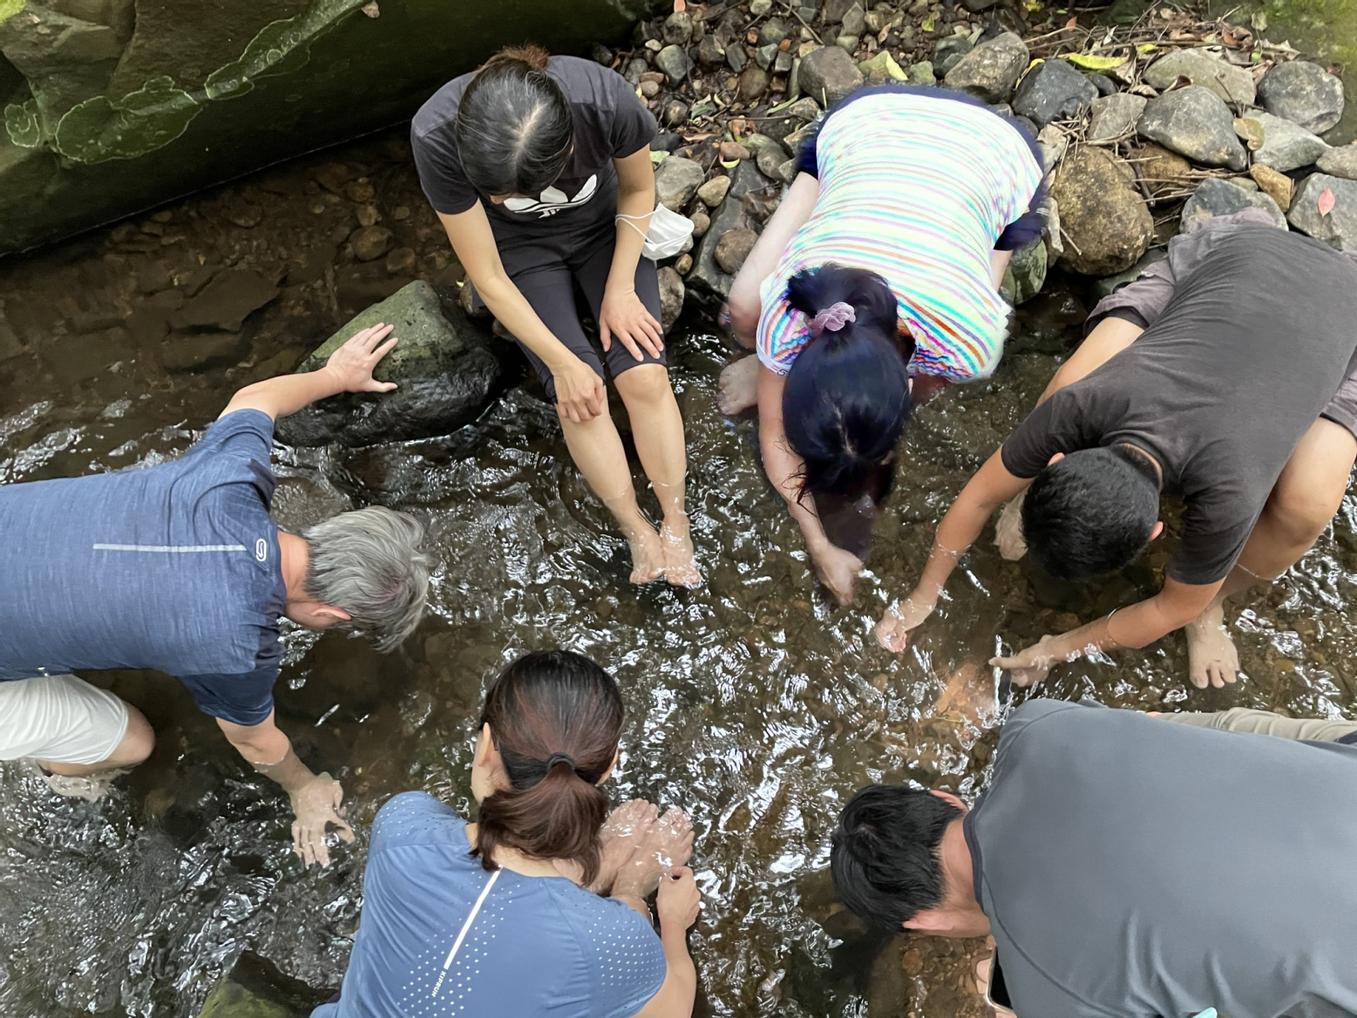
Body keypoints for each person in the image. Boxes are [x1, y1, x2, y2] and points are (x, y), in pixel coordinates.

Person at [0, 324, 431, 866]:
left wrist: (333, 376)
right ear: (329, 613)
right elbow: (255, 743)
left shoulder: (229, 478)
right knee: (133, 744)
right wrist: (302, 787)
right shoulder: (236, 646)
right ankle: (54, 770)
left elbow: (255, 399)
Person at [876, 211, 1357, 691]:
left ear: (1155, 533)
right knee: (1066, 380)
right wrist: (924, 594)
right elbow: (977, 497)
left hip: (1344, 314)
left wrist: (1056, 648)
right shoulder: (1084, 402)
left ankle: (1214, 603)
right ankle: (1029, 495)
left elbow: (1171, 607)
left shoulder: (1231, 492)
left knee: (1305, 507)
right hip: (1234, 263)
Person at [716, 84, 1044, 604]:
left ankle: (772, 367)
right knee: (744, 310)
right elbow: (776, 436)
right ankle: (765, 365)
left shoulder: (967, 341)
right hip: (867, 132)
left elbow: (922, 378)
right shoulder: (793, 303)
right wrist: (819, 543)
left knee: (980, 253)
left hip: (996, 153)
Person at [830, 699, 1357, 1017]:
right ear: (948, 799)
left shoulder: (1051, 994)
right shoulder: (1034, 725)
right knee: (1205, 733)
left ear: (924, 920)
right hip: (1343, 767)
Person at [411, 45, 700, 588]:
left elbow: (639, 189)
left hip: (606, 230)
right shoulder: (435, 136)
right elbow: (489, 275)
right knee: (580, 399)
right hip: (519, 257)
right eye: (501, 192)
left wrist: (619, 288)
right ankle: (636, 527)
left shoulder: (601, 100)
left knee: (644, 372)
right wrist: (561, 362)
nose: (509, 199)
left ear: (567, 143)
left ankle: (675, 518)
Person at [316, 649, 700, 1018]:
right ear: (608, 765)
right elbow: (671, 1011)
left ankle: (585, 876)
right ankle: (591, 876)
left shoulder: (402, 828)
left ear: (485, 744)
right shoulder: (611, 942)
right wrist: (642, 899)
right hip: (591, 931)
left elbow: (488, 863)